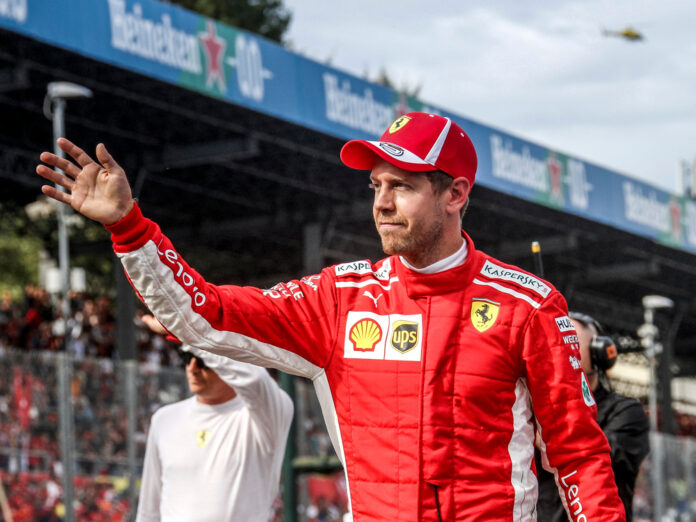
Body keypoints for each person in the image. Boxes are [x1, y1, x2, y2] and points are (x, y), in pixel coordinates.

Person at [37, 112, 626, 521]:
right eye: (375, 185)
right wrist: (130, 228)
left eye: (402, 186)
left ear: (455, 194)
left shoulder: (529, 305)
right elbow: (204, 315)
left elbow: (578, 455)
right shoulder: (339, 298)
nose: (382, 203)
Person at [135, 315, 294, 521]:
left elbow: (254, 378)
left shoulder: (266, 416)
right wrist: (186, 329)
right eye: (186, 357)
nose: (192, 368)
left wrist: (181, 325)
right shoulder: (164, 419)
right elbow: (149, 511)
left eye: (203, 361)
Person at [536, 312, 650, 522]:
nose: (558, 351)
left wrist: (545, 432)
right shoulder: (532, 410)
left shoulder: (626, 412)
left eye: (569, 341)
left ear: (599, 353)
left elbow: (599, 462)